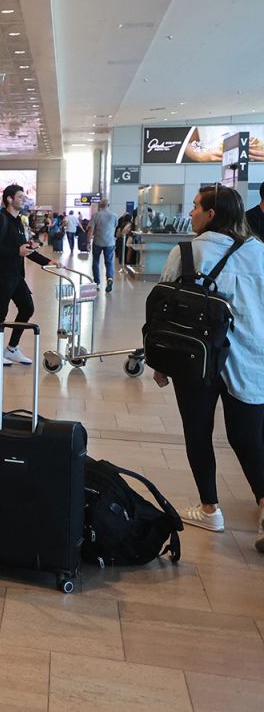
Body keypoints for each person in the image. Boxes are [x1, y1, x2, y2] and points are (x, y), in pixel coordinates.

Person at [152, 185, 264, 550]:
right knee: (248, 439)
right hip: (249, 360)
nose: (191, 213)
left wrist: (160, 363)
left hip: (194, 358)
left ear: (212, 214)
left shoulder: (186, 252)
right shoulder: (259, 253)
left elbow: (163, 309)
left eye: (196, 207)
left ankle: (209, 508)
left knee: (198, 432)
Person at [0, 184, 55, 367]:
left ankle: (12, 348)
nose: (24, 200)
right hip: (0, 276)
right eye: (20, 197)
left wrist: (47, 261)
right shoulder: (0, 220)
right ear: (9, 199)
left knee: (27, 308)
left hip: (16, 276)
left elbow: (25, 250)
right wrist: (16, 251)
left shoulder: (18, 222)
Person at [88, 198, 119, 291]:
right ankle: (109, 278)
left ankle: (97, 282)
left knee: (96, 262)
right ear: (108, 205)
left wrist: (88, 242)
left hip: (98, 242)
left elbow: (91, 229)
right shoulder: (114, 215)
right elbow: (114, 227)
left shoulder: (95, 215)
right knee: (109, 262)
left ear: (100, 206)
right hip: (110, 243)